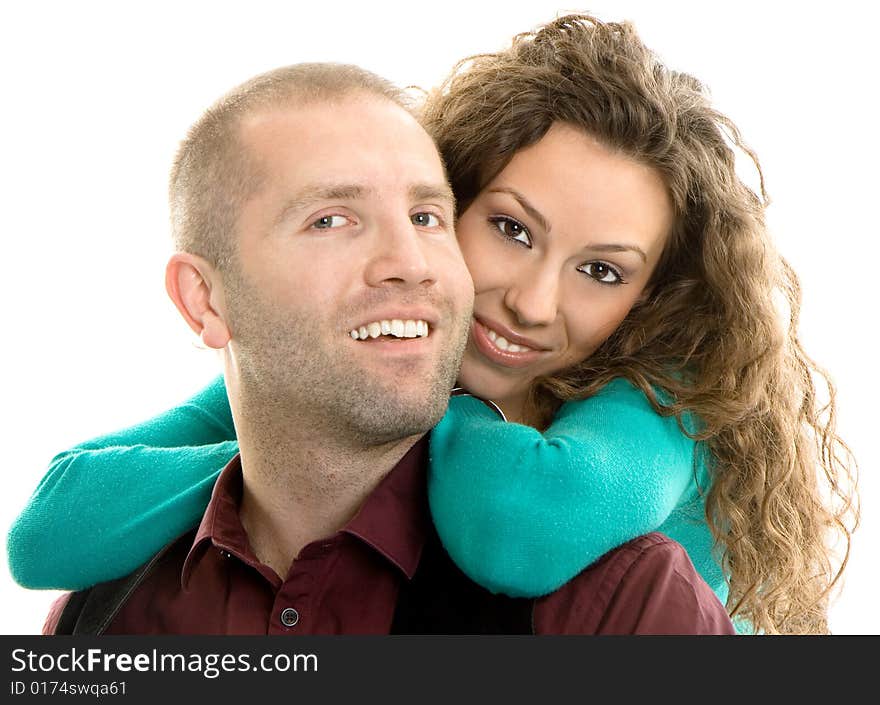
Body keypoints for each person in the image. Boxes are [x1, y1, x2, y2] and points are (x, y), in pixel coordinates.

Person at [11, 14, 854, 634]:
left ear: (648, 300)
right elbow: (47, 530)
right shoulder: (389, 347)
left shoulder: (662, 396)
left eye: (601, 271)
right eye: (511, 230)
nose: (530, 301)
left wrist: (340, 424)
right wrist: (292, 445)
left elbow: (513, 528)